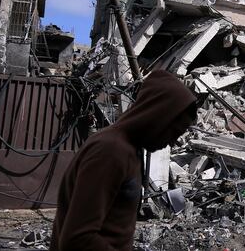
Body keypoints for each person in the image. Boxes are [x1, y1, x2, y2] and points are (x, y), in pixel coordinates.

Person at [50, 70, 197, 250]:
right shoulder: (111, 151)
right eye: (174, 131)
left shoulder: (128, 149)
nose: (173, 141)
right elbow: (78, 239)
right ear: (157, 117)